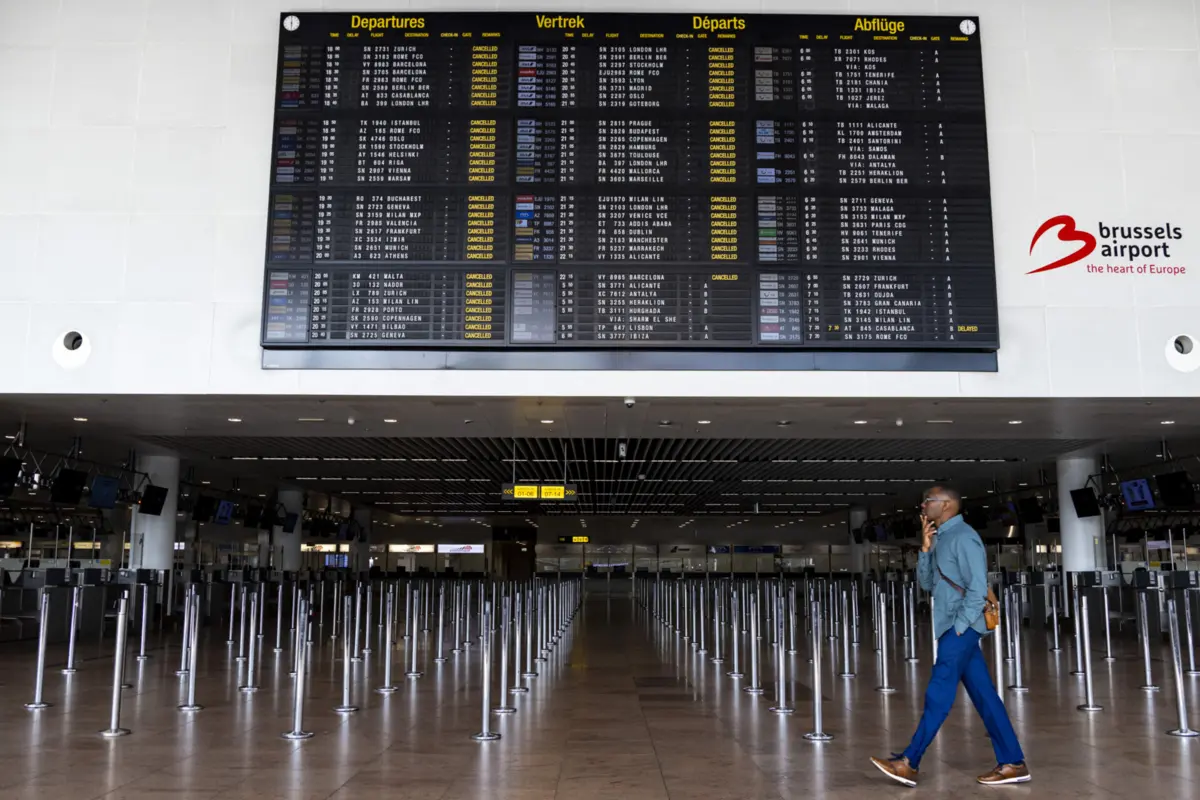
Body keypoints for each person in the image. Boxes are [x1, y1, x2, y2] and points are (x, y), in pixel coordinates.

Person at [870, 485, 1030, 787]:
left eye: (928, 500)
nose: (923, 504)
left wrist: (961, 626)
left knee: (938, 693)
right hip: (951, 626)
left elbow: (978, 586)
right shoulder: (943, 537)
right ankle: (1013, 762)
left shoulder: (965, 537)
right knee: (984, 696)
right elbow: (928, 583)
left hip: (960, 628)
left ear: (946, 505)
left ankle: (909, 761)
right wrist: (926, 548)